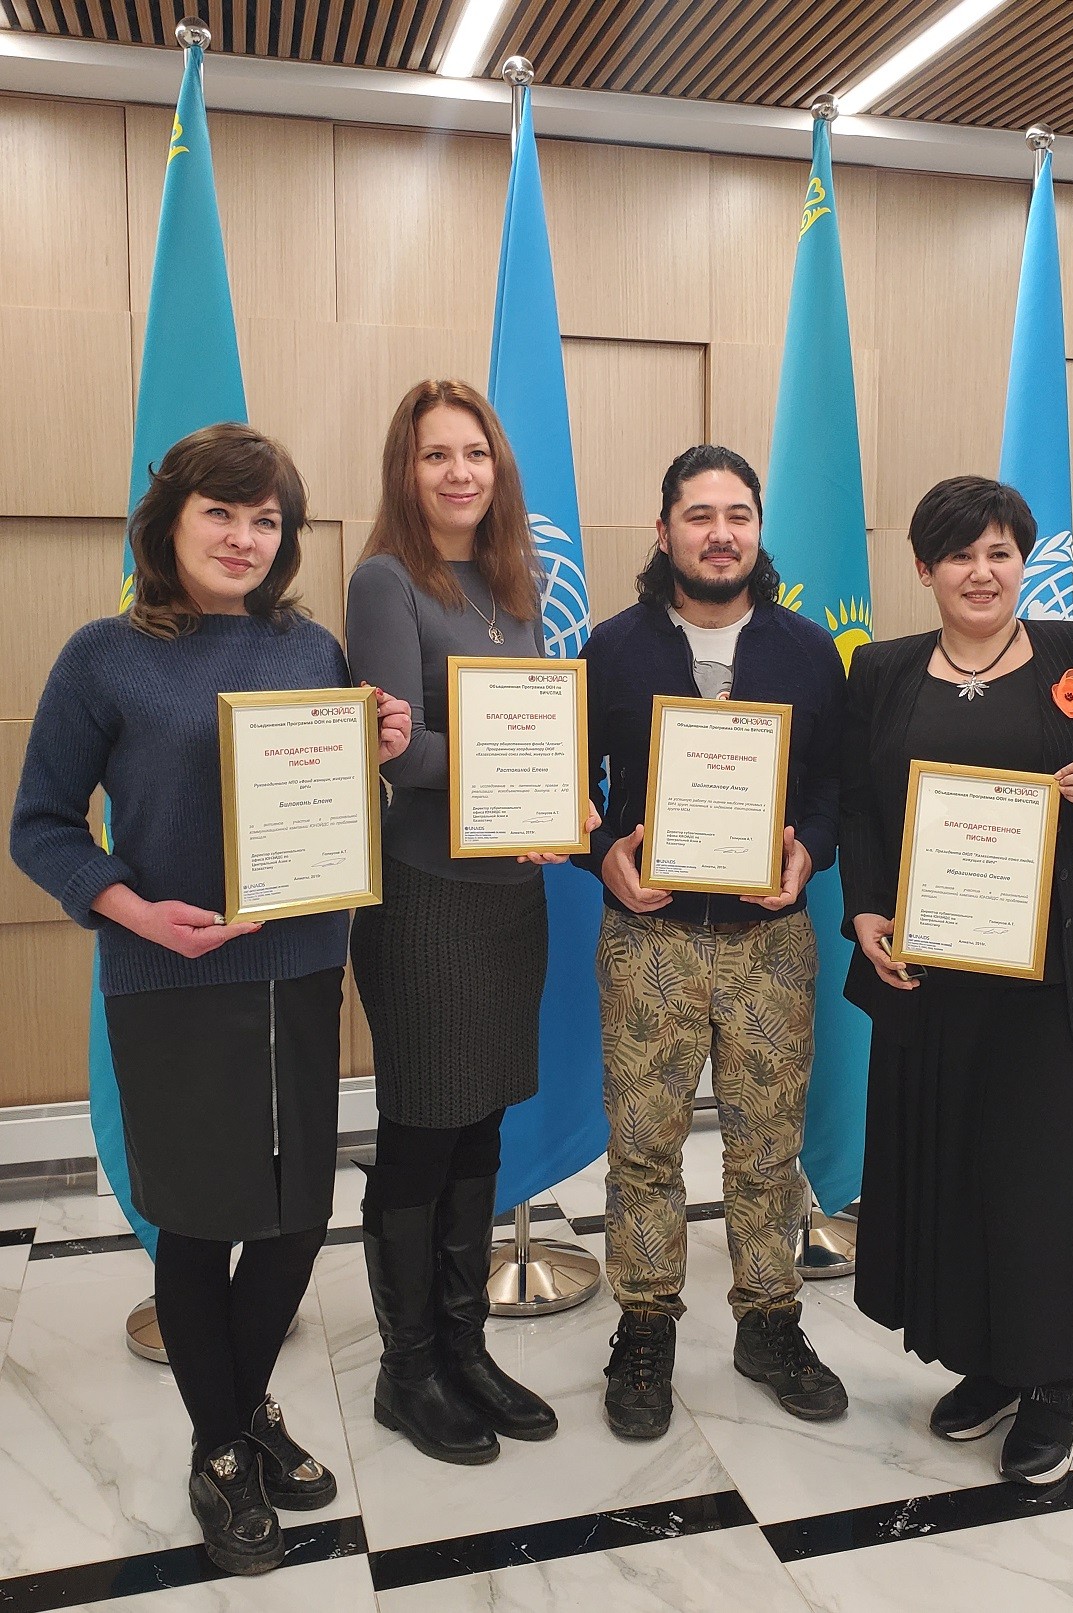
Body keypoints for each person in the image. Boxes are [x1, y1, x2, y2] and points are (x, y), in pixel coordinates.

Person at [9, 423, 411, 1575]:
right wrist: (129, 907)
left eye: (266, 519)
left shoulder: (313, 645)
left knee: (292, 1216)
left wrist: (374, 754)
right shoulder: (106, 655)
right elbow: (39, 824)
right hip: (170, 975)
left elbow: (332, 809)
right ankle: (222, 1445)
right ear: (169, 523)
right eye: (221, 514)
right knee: (197, 1222)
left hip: (298, 966)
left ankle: (237, 1415)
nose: (244, 537)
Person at [840, 475, 1073, 1487]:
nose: (982, 572)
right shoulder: (884, 671)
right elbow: (856, 806)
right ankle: (986, 1361)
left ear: (1022, 561)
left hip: (1048, 980)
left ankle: (1054, 1376)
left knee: (1037, 1183)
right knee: (953, 1172)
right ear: (923, 569)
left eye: (1000, 552)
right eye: (960, 555)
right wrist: (862, 910)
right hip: (931, 973)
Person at [577, 443, 849, 1440]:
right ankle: (645, 1324)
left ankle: (768, 1321)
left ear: (758, 530)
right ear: (663, 532)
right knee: (642, 1150)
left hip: (769, 940)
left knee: (766, 1150)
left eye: (738, 513)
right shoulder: (611, 648)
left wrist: (809, 850)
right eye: (699, 514)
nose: (721, 531)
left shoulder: (808, 650)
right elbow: (568, 784)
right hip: (647, 938)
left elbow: (831, 784)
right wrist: (603, 852)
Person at [345, 379, 591, 1465]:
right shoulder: (383, 579)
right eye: (436, 453)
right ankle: (410, 1370)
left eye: (475, 453)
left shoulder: (514, 587)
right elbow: (398, 747)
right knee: (421, 1132)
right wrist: (518, 771)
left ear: (499, 470)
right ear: (407, 469)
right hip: (424, 897)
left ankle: (465, 1345)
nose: (458, 471)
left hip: (508, 894)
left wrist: (560, 790)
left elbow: (527, 729)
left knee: (482, 1123)